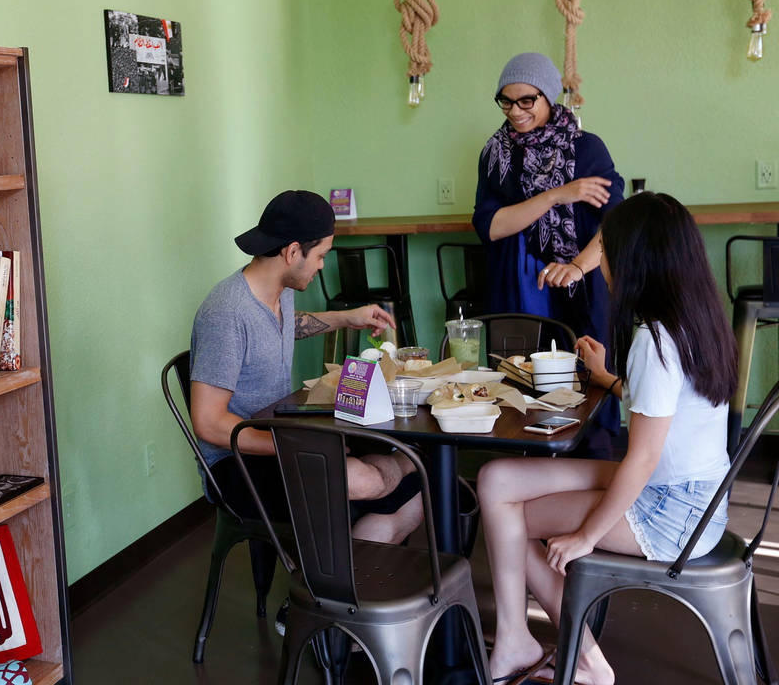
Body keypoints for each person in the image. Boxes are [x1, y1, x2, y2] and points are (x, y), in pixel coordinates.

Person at [477, 192, 736, 685]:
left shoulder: (653, 340)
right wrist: (606, 378)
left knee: (510, 522)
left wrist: (586, 536)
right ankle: (515, 639)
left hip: (671, 510)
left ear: (634, 260)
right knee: (495, 480)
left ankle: (588, 662)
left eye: (607, 251)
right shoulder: (695, 321)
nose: (600, 265)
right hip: (693, 495)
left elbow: (641, 457)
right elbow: (665, 415)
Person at [190, 190, 423, 545]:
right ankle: (330, 585)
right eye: (320, 256)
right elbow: (208, 423)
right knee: (371, 478)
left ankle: (333, 587)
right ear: (292, 251)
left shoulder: (277, 290)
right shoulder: (227, 312)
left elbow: (285, 325)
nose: (322, 266)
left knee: (409, 478)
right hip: (237, 464)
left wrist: (348, 317)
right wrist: (288, 447)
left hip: (281, 436)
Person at [472, 51, 626, 457]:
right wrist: (559, 194)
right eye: (506, 101)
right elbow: (490, 226)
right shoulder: (495, 155)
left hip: (582, 283)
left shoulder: (586, 149)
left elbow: (615, 224)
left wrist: (576, 268)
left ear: (549, 97)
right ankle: (528, 473)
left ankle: (595, 471)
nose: (516, 111)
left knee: (589, 376)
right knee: (519, 384)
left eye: (527, 100)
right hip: (518, 281)